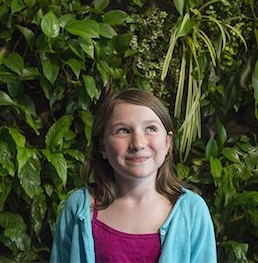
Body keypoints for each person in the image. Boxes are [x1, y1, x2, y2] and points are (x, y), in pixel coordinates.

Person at [50, 88, 217, 263]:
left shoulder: (192, 211)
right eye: (123, 130)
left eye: (151, 128)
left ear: (168, 142)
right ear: (103, 147)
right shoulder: (78, 209)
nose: (138, 144)